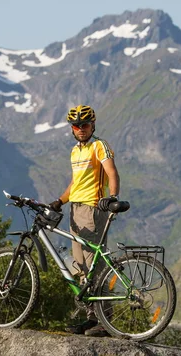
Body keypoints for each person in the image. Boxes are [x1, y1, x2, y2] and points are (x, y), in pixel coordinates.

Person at [49, 104, 120, 337]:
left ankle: (105, 320)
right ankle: (92, 318)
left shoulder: (99, 146)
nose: (81, 129)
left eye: (85, 125)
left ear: (93, 125)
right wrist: (60, 201)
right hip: (74, 210)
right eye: (76, 125)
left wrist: (112, 198)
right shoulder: (74, 151)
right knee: (81, 268)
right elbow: (75, 184)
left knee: (95, 266)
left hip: (92, 209)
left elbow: (111, 172)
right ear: (72, 128)